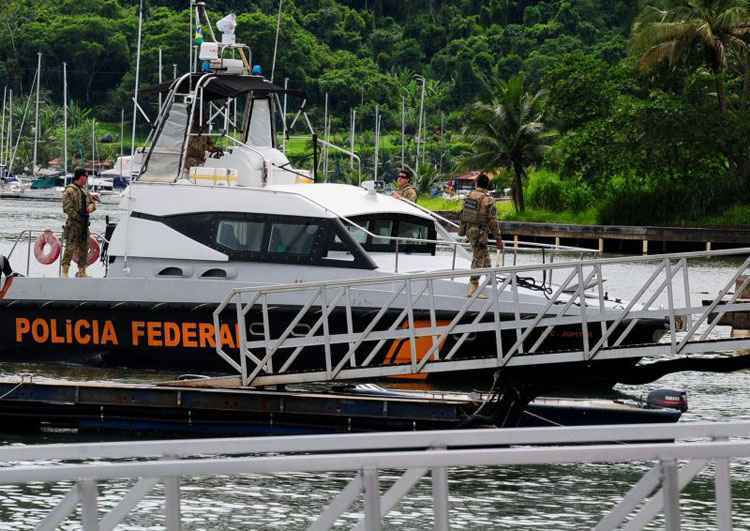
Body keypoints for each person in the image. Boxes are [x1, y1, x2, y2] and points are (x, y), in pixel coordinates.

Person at [458, 173, 502, 297]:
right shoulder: (488, 200)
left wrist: (462, 231)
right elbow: (493, 221)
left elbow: (462, 215)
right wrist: (498, 238)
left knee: (484, 254)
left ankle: (490, 279)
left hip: (469, 231)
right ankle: (473, 288)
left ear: (476, 183)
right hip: (480, 233)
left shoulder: (469, 196)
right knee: (478, 258)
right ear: (487, 185)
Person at [61, 168, 96, 278]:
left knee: (84, 248)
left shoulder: (84, 191)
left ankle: (82, 271)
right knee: (70, 248)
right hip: (73, 224)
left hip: (84, 225)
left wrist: (91, 207)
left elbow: (92, 203)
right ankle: (65, 272)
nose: (87, 179)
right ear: (81, 177)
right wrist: (78, 217)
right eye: (86, 177)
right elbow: (67, 208)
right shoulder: (70, 191)